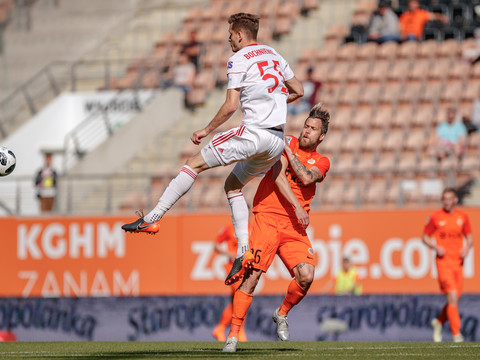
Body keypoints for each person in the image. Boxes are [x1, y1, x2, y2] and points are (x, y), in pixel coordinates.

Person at [122, 13, 304, 287]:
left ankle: (153, 218)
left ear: (240, 35)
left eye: (230, 34)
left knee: (193, 163)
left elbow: (231, 106)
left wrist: (206, 130)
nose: (228, 38)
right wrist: (273, 100)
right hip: (275, 141)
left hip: (253, 134)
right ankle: (244, 252)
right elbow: (298, 89)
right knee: (232, 185)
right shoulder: (274, 54)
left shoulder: (240, 58)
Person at [222, 103, 330, 353]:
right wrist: (297, 205)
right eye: (306, 126)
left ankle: (281, 313)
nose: (307, 131)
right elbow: (277, 175)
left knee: (307, 275)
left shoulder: (322, 161)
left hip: (293, 226)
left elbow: (306, 177)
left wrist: (290, 155)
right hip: (268, 217)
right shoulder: (286, 140)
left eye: (313, 129)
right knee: (252, 277)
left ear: (321, 136)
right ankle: (233, 336)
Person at [422, 188, 473, 343]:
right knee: (451, 295)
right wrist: (435, 247)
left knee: (454, 299)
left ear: (455, 200)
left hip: (458, 262)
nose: (446, 201)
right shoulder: (436, 217)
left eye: (449, 198)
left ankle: (438, 322)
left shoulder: (462, 217)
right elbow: (425, 237)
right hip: (443, 263)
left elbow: (469, 237)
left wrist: (467, 248)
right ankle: (456, 334)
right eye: (444, 198)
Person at [212, 221, 249, 342]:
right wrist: (228, 253)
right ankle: (239, 331)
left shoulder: (253, 228)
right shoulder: (229, 229)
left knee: (236, 301)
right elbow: (216, 245)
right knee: (241, 297)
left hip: (247, 268)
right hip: (233, 268)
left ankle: (220, 328)